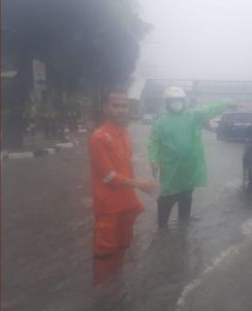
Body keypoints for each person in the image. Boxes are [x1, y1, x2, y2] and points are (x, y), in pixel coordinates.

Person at [88, 89, 158, 284]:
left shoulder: (125, 133)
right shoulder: (98, 137)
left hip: (127, 204)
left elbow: (125, 168)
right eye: (115, 105)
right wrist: (140, 184)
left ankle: (116, 285)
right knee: (104, 250)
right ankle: (101, 293)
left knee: (123, 245)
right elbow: (108, 176)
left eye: (124, 106)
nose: (120, 110)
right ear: (105, 108)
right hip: (107, 206)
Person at [148, 86, 236, 229]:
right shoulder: (160, 123)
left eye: (179, 100)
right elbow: (153, 142)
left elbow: (210, 108)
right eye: (172, 101)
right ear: (166, 103)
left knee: (187, 193)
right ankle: (162, 226)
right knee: (167, 196)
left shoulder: (193, 116)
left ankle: (184, 218)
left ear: (184, 101)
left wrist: (227, 102)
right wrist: (153, 160)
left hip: (190, 166)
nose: (176, 103)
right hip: (170, 168)